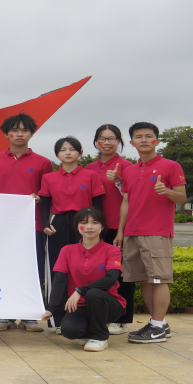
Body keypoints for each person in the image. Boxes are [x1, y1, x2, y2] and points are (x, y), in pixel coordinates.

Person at [114, 122, 187, 344]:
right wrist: (121, 231)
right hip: (132, 232)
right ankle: (159, 324)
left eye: (149, 136)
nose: (144, 140)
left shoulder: (171, 166)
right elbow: (126, 202)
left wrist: (167, 191)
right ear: (131, 142)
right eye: (139, 136)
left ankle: (157, 326)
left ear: (157, 140)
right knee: (144, 280)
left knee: (159, 279)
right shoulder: (129, 170)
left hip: (157, 231)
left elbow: (182, 197)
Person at [0, 113, 54, 333]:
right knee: (3, 268)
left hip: (33, 225)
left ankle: (29, 315)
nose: (20, 134)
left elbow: (49, 194)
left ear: (31, 133)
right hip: (1, 226)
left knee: (32, 269)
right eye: (14, 130)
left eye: (25, 130)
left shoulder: (43, 163)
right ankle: (4, 315)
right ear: (7, 134)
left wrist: (39, 198)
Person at [40, 207, 124, 352]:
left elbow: (111, 279)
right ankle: (89, 332)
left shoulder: (112, 250)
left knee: (94, 293)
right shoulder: (67, 250)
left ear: (102, 227)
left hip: (108, 305)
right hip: (80, 305)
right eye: (84, 223)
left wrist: (81, 290)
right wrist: (51, 308)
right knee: (69, 330)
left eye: (95, 223)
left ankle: (99, 337)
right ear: (78, 226)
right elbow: (59, 281)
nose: (89, 227)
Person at [38, 136, 105, 298]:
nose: (67, 153)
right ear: (57, 154)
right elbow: (45, 205)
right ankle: (56, 307)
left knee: (85, 263)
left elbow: (97, 205)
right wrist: (46, 224)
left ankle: (85, 304)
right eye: (63, 150)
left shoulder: (91, 175)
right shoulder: (48, 177)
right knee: (57, 263)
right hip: (58, 223)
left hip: (84, 223)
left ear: (80, 153)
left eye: (72, 149)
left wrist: (97, 226)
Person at [85, 124, 137, 335]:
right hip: (93, 228)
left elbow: (133, 197)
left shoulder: (127, 166)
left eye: (112, 138)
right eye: (102, 138)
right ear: (96, 142)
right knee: (95, 271)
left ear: (119, 142)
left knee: (122, 273)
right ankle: (96, 316)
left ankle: (121, 319)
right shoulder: (88, 168)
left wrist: (119, 181)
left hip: (118, 227)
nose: (106, 143)